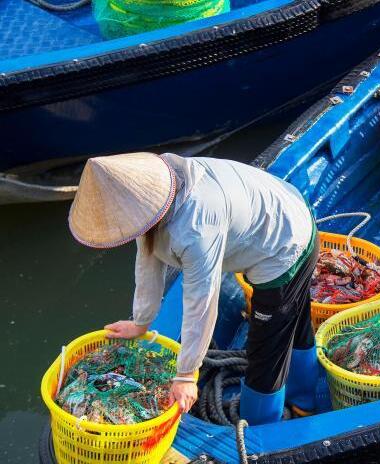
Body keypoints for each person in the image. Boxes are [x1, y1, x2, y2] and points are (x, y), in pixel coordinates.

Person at [67, 152, 319, 425]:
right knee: (294, 319)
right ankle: (305, 402)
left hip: (285, 243)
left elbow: (202, 300)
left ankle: (262, 429)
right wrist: (141, 321)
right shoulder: (155, 192)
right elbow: (148, 258)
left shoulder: (197, 227)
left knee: (268, 346)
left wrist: (187, 375)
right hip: (273, 210)